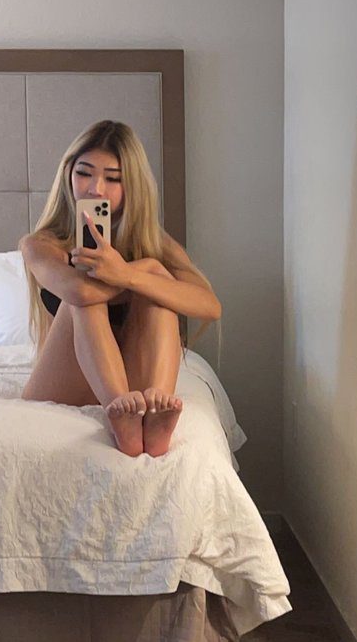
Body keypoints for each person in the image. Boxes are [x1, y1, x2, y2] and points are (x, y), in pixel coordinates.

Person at [19, 120, 222, 458]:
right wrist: (138, 276)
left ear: (132, 186)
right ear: (68, 175)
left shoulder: (153, 243)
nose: (95, 189)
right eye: (84, 173)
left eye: (113, 178)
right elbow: (81, 293)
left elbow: (210, 307)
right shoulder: (42, 245)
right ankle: (119, 411)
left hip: (135, 384)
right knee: (92, 289)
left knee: (156, 283)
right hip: (61, 385)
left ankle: (152, 412)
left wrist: (129, 274)